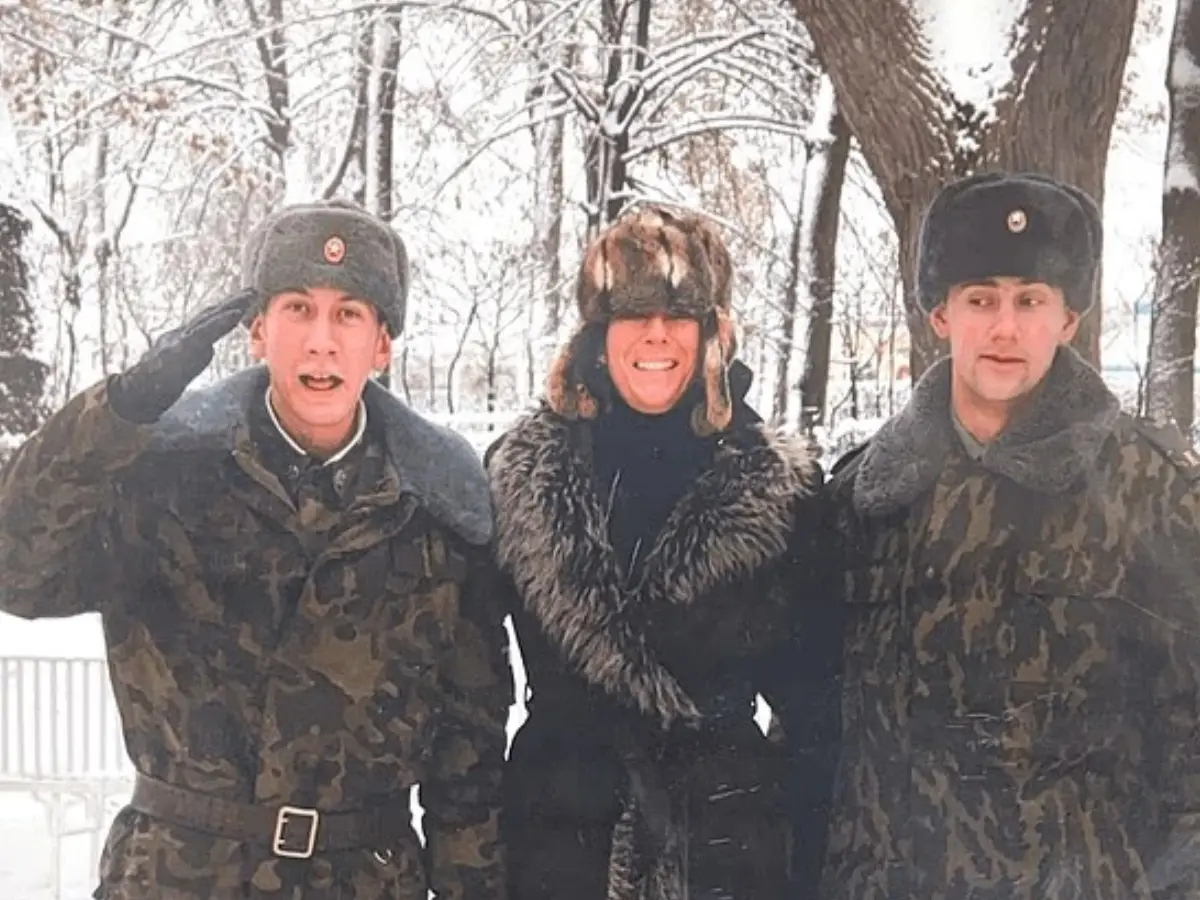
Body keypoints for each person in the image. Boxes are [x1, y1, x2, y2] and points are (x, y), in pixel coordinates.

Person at [0, 200, 511, 900]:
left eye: (350, 314)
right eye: (298, 309)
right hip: (179, 876)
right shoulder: (163, 475)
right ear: (257, 331)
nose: (321, 342)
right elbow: (16, 570)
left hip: (364, 879)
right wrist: (118, 413)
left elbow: (468, 763)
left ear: (383, 345)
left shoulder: (439, 510)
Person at [820, 171, 1200, 900]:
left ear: (1069, 318)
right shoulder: (863, 501)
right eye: (980, 299)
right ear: (939, 314)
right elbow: (815, 735)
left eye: (1031, 301)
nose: (1005, 327)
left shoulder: (1153, 492)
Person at [486, 205, 835, 900]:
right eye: (633, 314)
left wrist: (809, 862)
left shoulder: (776, 485)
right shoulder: (521, 474)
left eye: (679, 317)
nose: (655, 335)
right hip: (560, 841)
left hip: (728, 847)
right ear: (597, 333)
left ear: (711, 334)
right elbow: (469, 689)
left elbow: (819, 707)